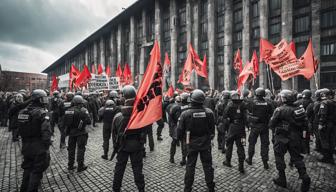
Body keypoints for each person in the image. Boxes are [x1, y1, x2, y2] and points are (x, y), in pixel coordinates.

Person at [269, 90, 311, 192]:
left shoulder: (279, 110)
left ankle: (282, 179)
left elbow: (271, 124)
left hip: (282, 137)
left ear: (285, 98)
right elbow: (305, 124)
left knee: (279, 157)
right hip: (295, 137)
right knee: (297, 158)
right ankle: (304, 176)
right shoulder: (300, 109)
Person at [177, 89, 215, 192]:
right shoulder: (209, 113)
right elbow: (212, 130)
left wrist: (181, 140)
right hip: (205, 143)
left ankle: (187, 188)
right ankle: (211, 186)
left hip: (191, 143)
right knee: (208, 166)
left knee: (190, 166)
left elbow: (180, 130)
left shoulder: (185, 114)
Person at [112, 85, 146, 192]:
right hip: (136, 146)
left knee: (119, 169)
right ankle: (141, 189)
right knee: (137, 169)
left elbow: (114, 135)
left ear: (124, 97)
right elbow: (144, 132)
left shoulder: (118, 116)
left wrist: (116, 146)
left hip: (122, 146)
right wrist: (142, 145)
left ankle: (116, 188)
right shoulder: (140, 115)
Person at [17, 89, 52, 192]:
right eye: (43, 99)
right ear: (38, 100)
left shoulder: (22, 112)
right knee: (36, 172)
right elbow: (46, 131)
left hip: (26, 145)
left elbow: (20, 129)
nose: (45, 101)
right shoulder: (42, 113)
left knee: (27, 170)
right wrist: (46, 145)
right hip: (38, 146)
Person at [245, 88, 273, 169]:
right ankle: (265, 163)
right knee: (265, 144)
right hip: (264, 126)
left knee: (252, 143)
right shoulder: (268, 103)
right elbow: (271, 114)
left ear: (256, 94)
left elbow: (247, 111)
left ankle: (250, 159)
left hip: (255, 126)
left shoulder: (251, 102)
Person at [64, 95, 91, 172]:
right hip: (81, 132)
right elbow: (89, 121)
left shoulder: (68, 110)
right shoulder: (83, 110)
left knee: (71, 149)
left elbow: (65, 122)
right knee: (81, 149)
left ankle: (70, 165)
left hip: (71, 133)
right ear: (81, 102)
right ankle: (80, 166)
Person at [222, 91, 247, 173]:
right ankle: (241, 166)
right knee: (241, 146)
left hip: (232, 127)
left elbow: (225, 117)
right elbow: (246, 117)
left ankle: (228, 161)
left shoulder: (229, 104)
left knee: (229, 145)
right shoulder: (243, 104)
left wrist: (227, 127)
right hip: (241, 129)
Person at [317, 88, 335, 164]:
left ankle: (327, 157)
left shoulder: (324, 103)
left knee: (324, 140)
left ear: (324, 94)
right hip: (333, 124)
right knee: (331, 140)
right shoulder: (334, 102)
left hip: (326, 124)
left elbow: (323, 115)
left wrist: (321, 124)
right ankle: (330, 157)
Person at [168, 96, 182, 164]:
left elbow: (170, 120)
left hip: (174, 127)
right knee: (183, 143)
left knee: (174, 143)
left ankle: (171, 158)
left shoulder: (172, 107)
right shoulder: (178, 107)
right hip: (177, 127)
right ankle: (182, 159)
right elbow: (176, 119)